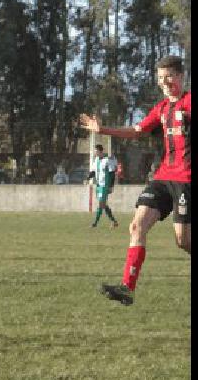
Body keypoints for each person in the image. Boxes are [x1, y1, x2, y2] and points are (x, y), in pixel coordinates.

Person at [79, 55, 190, 306]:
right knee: (136, 226)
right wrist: (103, 130)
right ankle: (127, 288)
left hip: (186, 181)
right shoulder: (162, 109)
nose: (164, 82)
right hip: (162, 177)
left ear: (181, 76)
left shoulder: (189, 102)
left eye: (169, 77)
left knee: (183, 240)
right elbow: (137, 131)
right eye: (160, 78)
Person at [88, 144, 119, 228]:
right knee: (104, 205)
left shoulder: (107, 160)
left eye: (96, 151)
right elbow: (93, 172)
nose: (95, 153)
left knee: (101, 204)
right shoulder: (96, 160)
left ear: (100, 151)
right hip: (99, 186)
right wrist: (88, 177)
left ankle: (95, 223)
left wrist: (111, 186)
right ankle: (114, 221)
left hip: (105, 185)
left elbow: (112, 173)